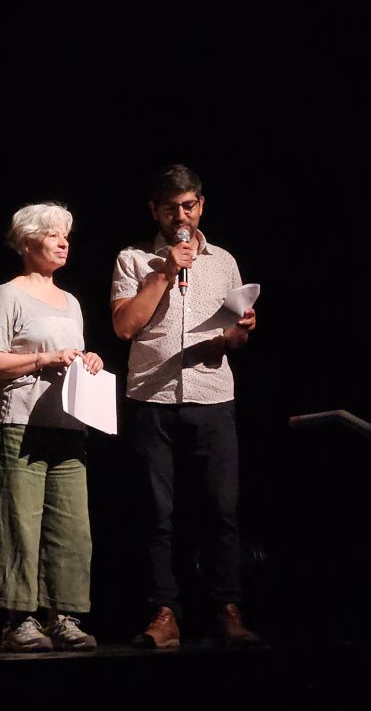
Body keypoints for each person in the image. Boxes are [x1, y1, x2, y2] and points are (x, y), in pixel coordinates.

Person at [110, 164, 261, 649]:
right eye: (172, 207)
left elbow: (232, 334)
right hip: (151, 398)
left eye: (190, 205)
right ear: (155, 209)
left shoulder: (223, 261)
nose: (183, 215)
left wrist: (239, 333)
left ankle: (226, 609)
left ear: (201, 205)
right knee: (157, 513)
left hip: (212, 396)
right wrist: (167, 270)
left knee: (222, 510)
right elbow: (124, 327)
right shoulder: (134, 259)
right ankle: (164, 613)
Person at [0, 202, 103, 653]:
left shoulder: (71, 302)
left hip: (68, 425)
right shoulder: (8, 294)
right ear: (29, 242)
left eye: (66, 234)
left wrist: (90, 360)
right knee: (21, 523)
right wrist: (43, 359)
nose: (63, 241)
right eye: (53, 234)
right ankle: (20, 621)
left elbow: (74, 355)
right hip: (20, 423)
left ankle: (64, 616)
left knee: (72, 526)